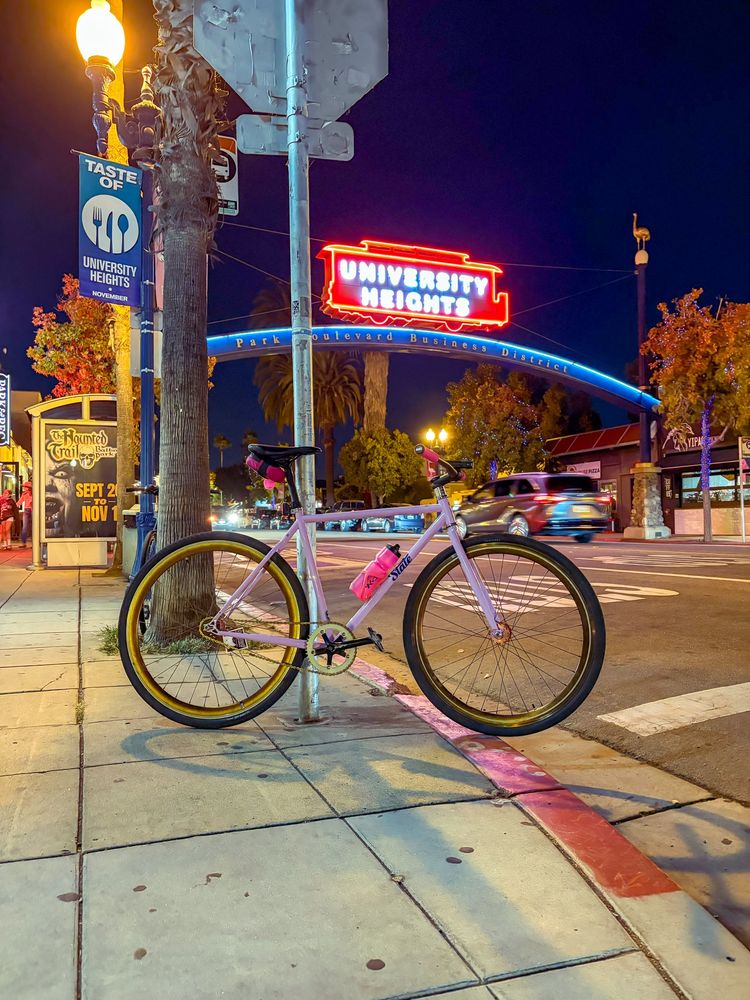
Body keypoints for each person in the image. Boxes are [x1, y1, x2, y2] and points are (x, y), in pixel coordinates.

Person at [19, 481, 32, 548]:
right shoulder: (24, 494)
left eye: (25, 487)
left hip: (33, 510)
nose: (24, 488)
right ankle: (23, 543)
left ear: (28, 488)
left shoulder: (34, 494)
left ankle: (34, 543)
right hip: (26, 510)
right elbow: (19, 503)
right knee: (25, 527)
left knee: (34, 527)